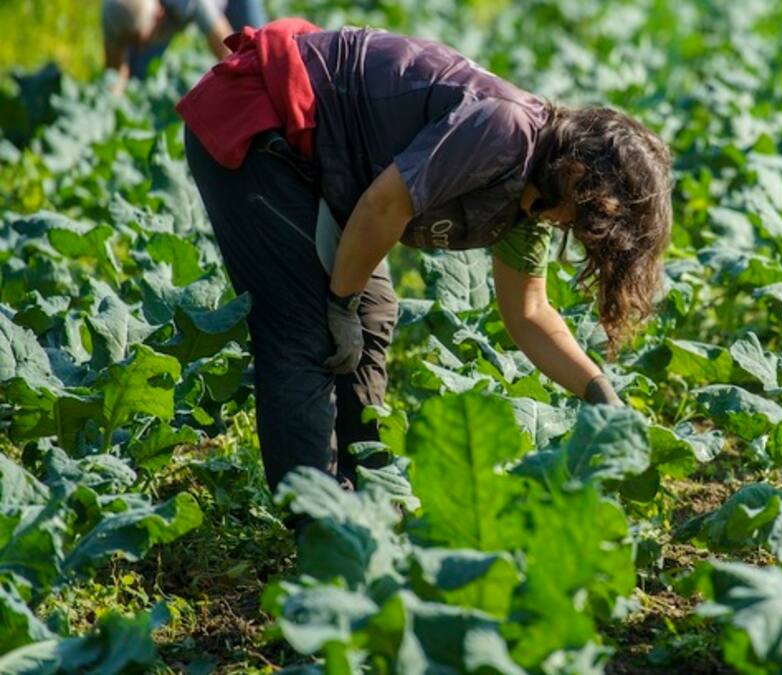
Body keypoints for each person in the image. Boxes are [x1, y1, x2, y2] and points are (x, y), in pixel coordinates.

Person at [177, 20, 674, 496]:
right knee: (307, 327)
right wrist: (339, 304)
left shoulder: (532, 204)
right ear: (578, 174)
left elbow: (529, 313)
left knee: (371, 313)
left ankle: (368, 490)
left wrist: (600, 394)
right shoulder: (507, 132)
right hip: (261, 125)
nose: (576, 230)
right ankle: (317, 519)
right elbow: (383, 207)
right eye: (587, 216)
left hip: (318, 163)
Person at [102, 0, 267, 92]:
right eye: (132, 41)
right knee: (137, 74)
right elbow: (115, 72)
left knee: (255, 52)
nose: (140, 48)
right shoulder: (113, 14)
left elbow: (224, 47)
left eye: (142, 40)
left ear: (159, 15)